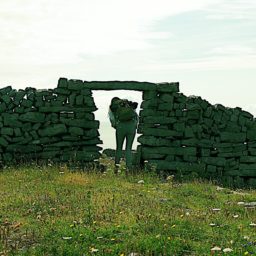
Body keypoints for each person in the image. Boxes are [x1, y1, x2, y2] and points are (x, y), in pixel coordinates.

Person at [108, 97, 138, 174]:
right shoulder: (126, 104)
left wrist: (117, 126)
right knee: (128, 148)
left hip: (121, 127)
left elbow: (113, 121)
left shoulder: (113, 108)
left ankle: (116, 169)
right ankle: (128, 170)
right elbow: (135, 116)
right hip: (131, 126)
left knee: (119, 148)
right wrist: (134, 125)